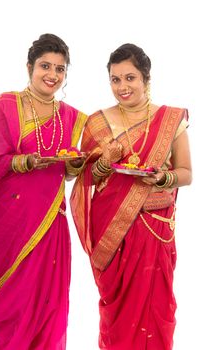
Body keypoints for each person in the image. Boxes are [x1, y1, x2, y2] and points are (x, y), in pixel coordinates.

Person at [70, 43, 192, 350]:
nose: (122, 87)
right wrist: (103, 162)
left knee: (155, 306)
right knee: (117, 312)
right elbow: (89, 179)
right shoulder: (97, 122)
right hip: (112, 229)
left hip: (155, 227)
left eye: (130, 78)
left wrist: (163, 177)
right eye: (115, 79)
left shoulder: (170, 119)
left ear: (146, 80)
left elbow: (186, 173)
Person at [0, 33, 87, 350]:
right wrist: (24, 161)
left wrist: (75, 166)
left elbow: (64, 170)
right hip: (13, 224)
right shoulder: (5, 106)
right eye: (45, 66)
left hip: (51, 223)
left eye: (60, 69)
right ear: (29, 67)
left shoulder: (69, 117)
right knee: (16, 303)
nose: (53, 75)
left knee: (49, 304)